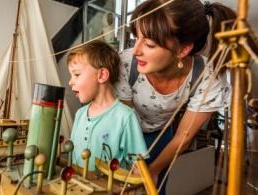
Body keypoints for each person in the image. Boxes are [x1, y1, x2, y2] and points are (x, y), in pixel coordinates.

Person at [114, 0, 236, 194]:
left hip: (165, 139)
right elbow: (124, 123)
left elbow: (184, 137)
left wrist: (154, 170)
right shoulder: (125, 63)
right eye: (136, 37)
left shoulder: (207, 76)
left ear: (183, 50)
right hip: (124, 134)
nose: (136, 50)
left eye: (149, 44)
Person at [67, 40, 147, 171]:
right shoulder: (80, 114)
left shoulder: (126, 117)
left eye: (76, 74)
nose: (70, 82)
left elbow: (138, 168)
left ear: (102, 75)